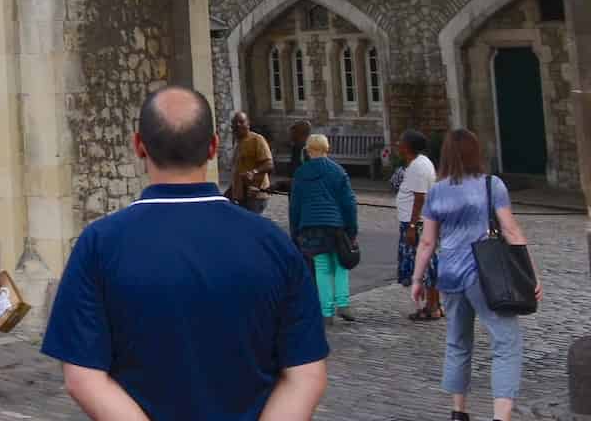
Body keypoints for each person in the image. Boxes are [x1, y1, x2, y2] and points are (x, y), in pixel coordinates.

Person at [42, 87, 328, 421]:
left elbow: (83, 377)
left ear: (139, 146)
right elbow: (306, 375)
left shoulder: (98, 244)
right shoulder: (273, 243)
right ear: (213, 147)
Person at [410, 129, 542, 421]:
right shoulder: (491, 185)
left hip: (450, 275)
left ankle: (459, 411)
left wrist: (418, 279)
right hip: (486, 274)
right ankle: (500, 417)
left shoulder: (437, 191)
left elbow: (428, 242)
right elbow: (510, 230)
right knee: (505, 344)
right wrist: (529, 274)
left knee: (457, 342)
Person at [287, 133, 358, 325]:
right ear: (328, 149)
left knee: (322, 268)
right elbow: (349, 204)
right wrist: (352, 231)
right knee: (341, 264)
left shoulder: (301, 173)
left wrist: (295, 232)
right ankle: (343, 303)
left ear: (309, 151)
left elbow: (295, 205)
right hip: (335, 225)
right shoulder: (337, 171)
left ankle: (326, 312)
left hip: (310, 226)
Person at [394, 129, 442, 321]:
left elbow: (419, 197)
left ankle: (432, 306)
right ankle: (434, 304)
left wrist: (413, 226)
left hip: (417, 223)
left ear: (408, 146)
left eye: (401, 142)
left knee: (426, 265)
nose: (398, 145)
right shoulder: (418, 164)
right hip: (418, 222)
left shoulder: (418, 167)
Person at [228, 110, 272, 212]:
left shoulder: (257, 139)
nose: (238, 125)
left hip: (255, 194)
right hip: (240, 196)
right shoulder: (237, 142)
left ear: (248, 124)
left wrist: (254, 172)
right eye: (235, 123)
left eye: (241, 122)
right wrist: (231, 191)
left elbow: (269, 164)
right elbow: (238, 170)